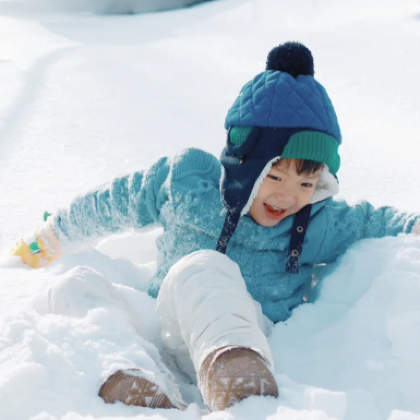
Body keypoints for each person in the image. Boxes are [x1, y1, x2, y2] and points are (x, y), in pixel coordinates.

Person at [12, 42, 420, 412]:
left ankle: (238, 381)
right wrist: (50, 237)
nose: (288, 196)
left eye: (307, 183)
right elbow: (114, 201)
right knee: (71, 285)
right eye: (274, 177)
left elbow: (374, 221)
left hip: (245, 339)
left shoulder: (313, 222)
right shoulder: (191, 186)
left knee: (203, 267)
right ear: (247, 164)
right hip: (164, 332)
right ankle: (131, 378)